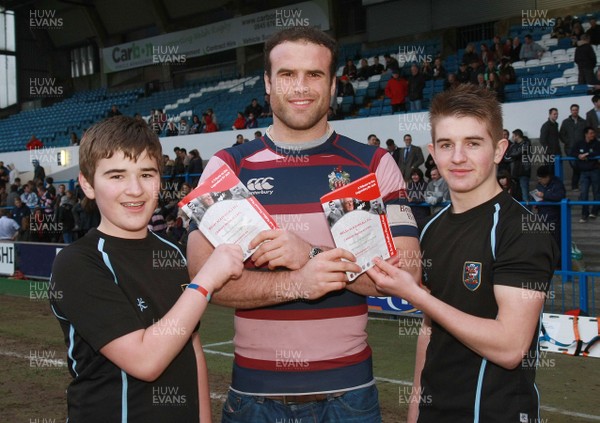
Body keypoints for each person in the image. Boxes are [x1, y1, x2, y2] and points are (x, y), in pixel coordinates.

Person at [186, 26, 420, 423]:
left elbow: (408, 273)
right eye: (287, 74)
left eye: (314, 75)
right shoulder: (229, 167)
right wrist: (298, 282)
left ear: (332, 86)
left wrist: (309, 254)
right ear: (267, 83)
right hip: (253, 398)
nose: (300, 87)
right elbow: (204, 278)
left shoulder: (374, 164)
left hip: (349, 398)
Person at [366, 84, 558, 423]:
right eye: (446, 145)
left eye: (472, 143)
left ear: (499, 150)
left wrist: (415, 295)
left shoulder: (521, 231)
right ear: (433, 152)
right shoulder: (430, 229)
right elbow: (428, 331)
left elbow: (511, 348)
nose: (457, 157)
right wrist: (415, 412)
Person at [49, 115, 244, 422]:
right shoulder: (76, 263)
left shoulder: (171, 253)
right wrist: (205, 280)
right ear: (87, 184)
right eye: (116, 176)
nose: (135, 189)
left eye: (146, 174)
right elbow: (145, 361)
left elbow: (191, 347)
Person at [532, 165, 566, 260]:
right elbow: (535, 196)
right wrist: (535, 203)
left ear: (547, 177)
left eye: (541, 179)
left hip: (554, 218)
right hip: (542, 216)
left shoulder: (557, 183)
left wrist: (544, 195)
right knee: (543, 242)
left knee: (556, 242)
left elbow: (560, 196)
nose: (539, 181)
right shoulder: (539, 185)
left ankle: (558, 263)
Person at [571, 126, 600, 222]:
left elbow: (597, 152)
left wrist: (587, 154)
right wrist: (579, 155)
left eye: (593, 133)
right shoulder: (579, 143)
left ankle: (595, 211)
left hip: (595, 171)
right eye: (591, 133)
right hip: (583, 172)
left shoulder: (597, 143)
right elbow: (572, 152)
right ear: (586, 134)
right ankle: (584, 213)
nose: (593, 135)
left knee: (596, 191)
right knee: (584, 193)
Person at [559, 104, 586, 190]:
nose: (575, 111)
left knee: (579, 166)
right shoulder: (565, 122)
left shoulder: (583, 122)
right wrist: (568, 142)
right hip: (569, 148)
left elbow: (586, 134)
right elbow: (561, 134)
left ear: (578, 110)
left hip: (581, 148)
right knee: (575, 165)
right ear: (570, 111)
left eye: (576, 110)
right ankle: (576, 185)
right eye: (573, 110)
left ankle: (575, 186)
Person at [505, 129, 532, 202]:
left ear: (517, 136)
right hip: (514, 172)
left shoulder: (526, 144)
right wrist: (513, 156)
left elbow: (517, 153)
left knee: (525, 195)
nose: (512, 138)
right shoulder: (513, 145)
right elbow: (507, 156)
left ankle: (527, 211)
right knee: (515, 195)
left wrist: (513, 156)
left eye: (513, 136)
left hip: (523, 172)